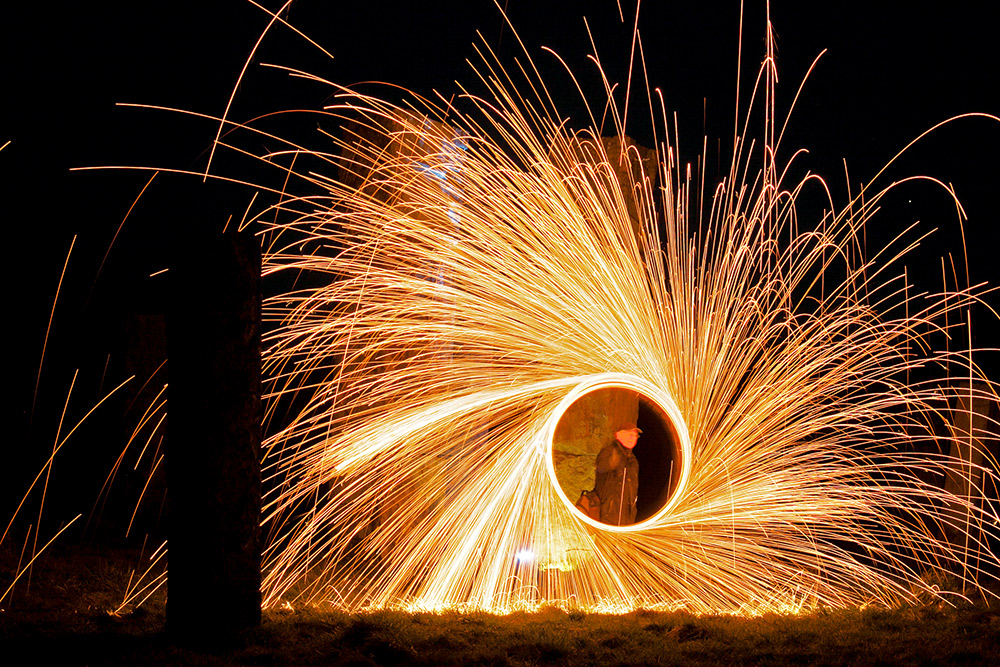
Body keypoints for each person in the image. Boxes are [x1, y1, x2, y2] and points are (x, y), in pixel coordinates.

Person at [594, 424, 640, 525]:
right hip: (607, 515)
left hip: (626, 518)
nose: (633, 438)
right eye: (629, 434)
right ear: (618, 435)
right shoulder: (609, 452)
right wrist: (614, 460)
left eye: (635, 435)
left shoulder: (633, 461)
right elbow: (601, 467)